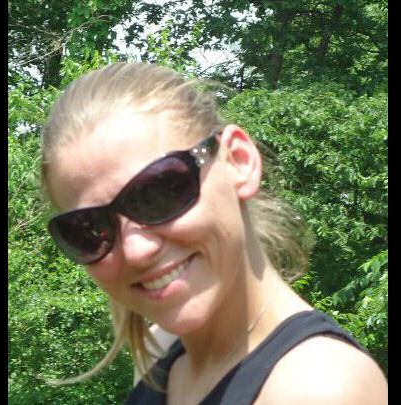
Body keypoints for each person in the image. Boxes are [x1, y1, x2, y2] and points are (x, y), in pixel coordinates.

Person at [41, 62, 388, 404]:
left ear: (239, 161)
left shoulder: (320, 388)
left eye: (159, 192)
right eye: (90, 228)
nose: (136, 249)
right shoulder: (161, 353)